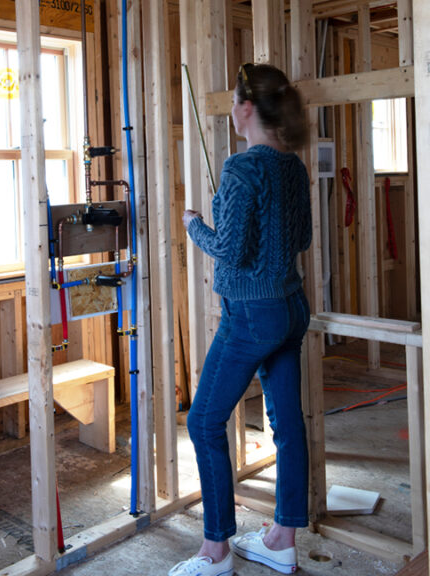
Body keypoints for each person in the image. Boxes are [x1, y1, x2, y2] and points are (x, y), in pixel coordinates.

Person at [170, 63, 311, 576]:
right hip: (292, 308)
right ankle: (281, 539)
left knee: (204, 422)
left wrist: (194, 225)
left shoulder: (241, 168)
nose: (231, 110)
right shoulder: (291, 166)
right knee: (287, 425)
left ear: (247, 109)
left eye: (234, 102)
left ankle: (215, 552)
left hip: (252, 314)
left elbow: (229, 251)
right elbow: (301, 241)